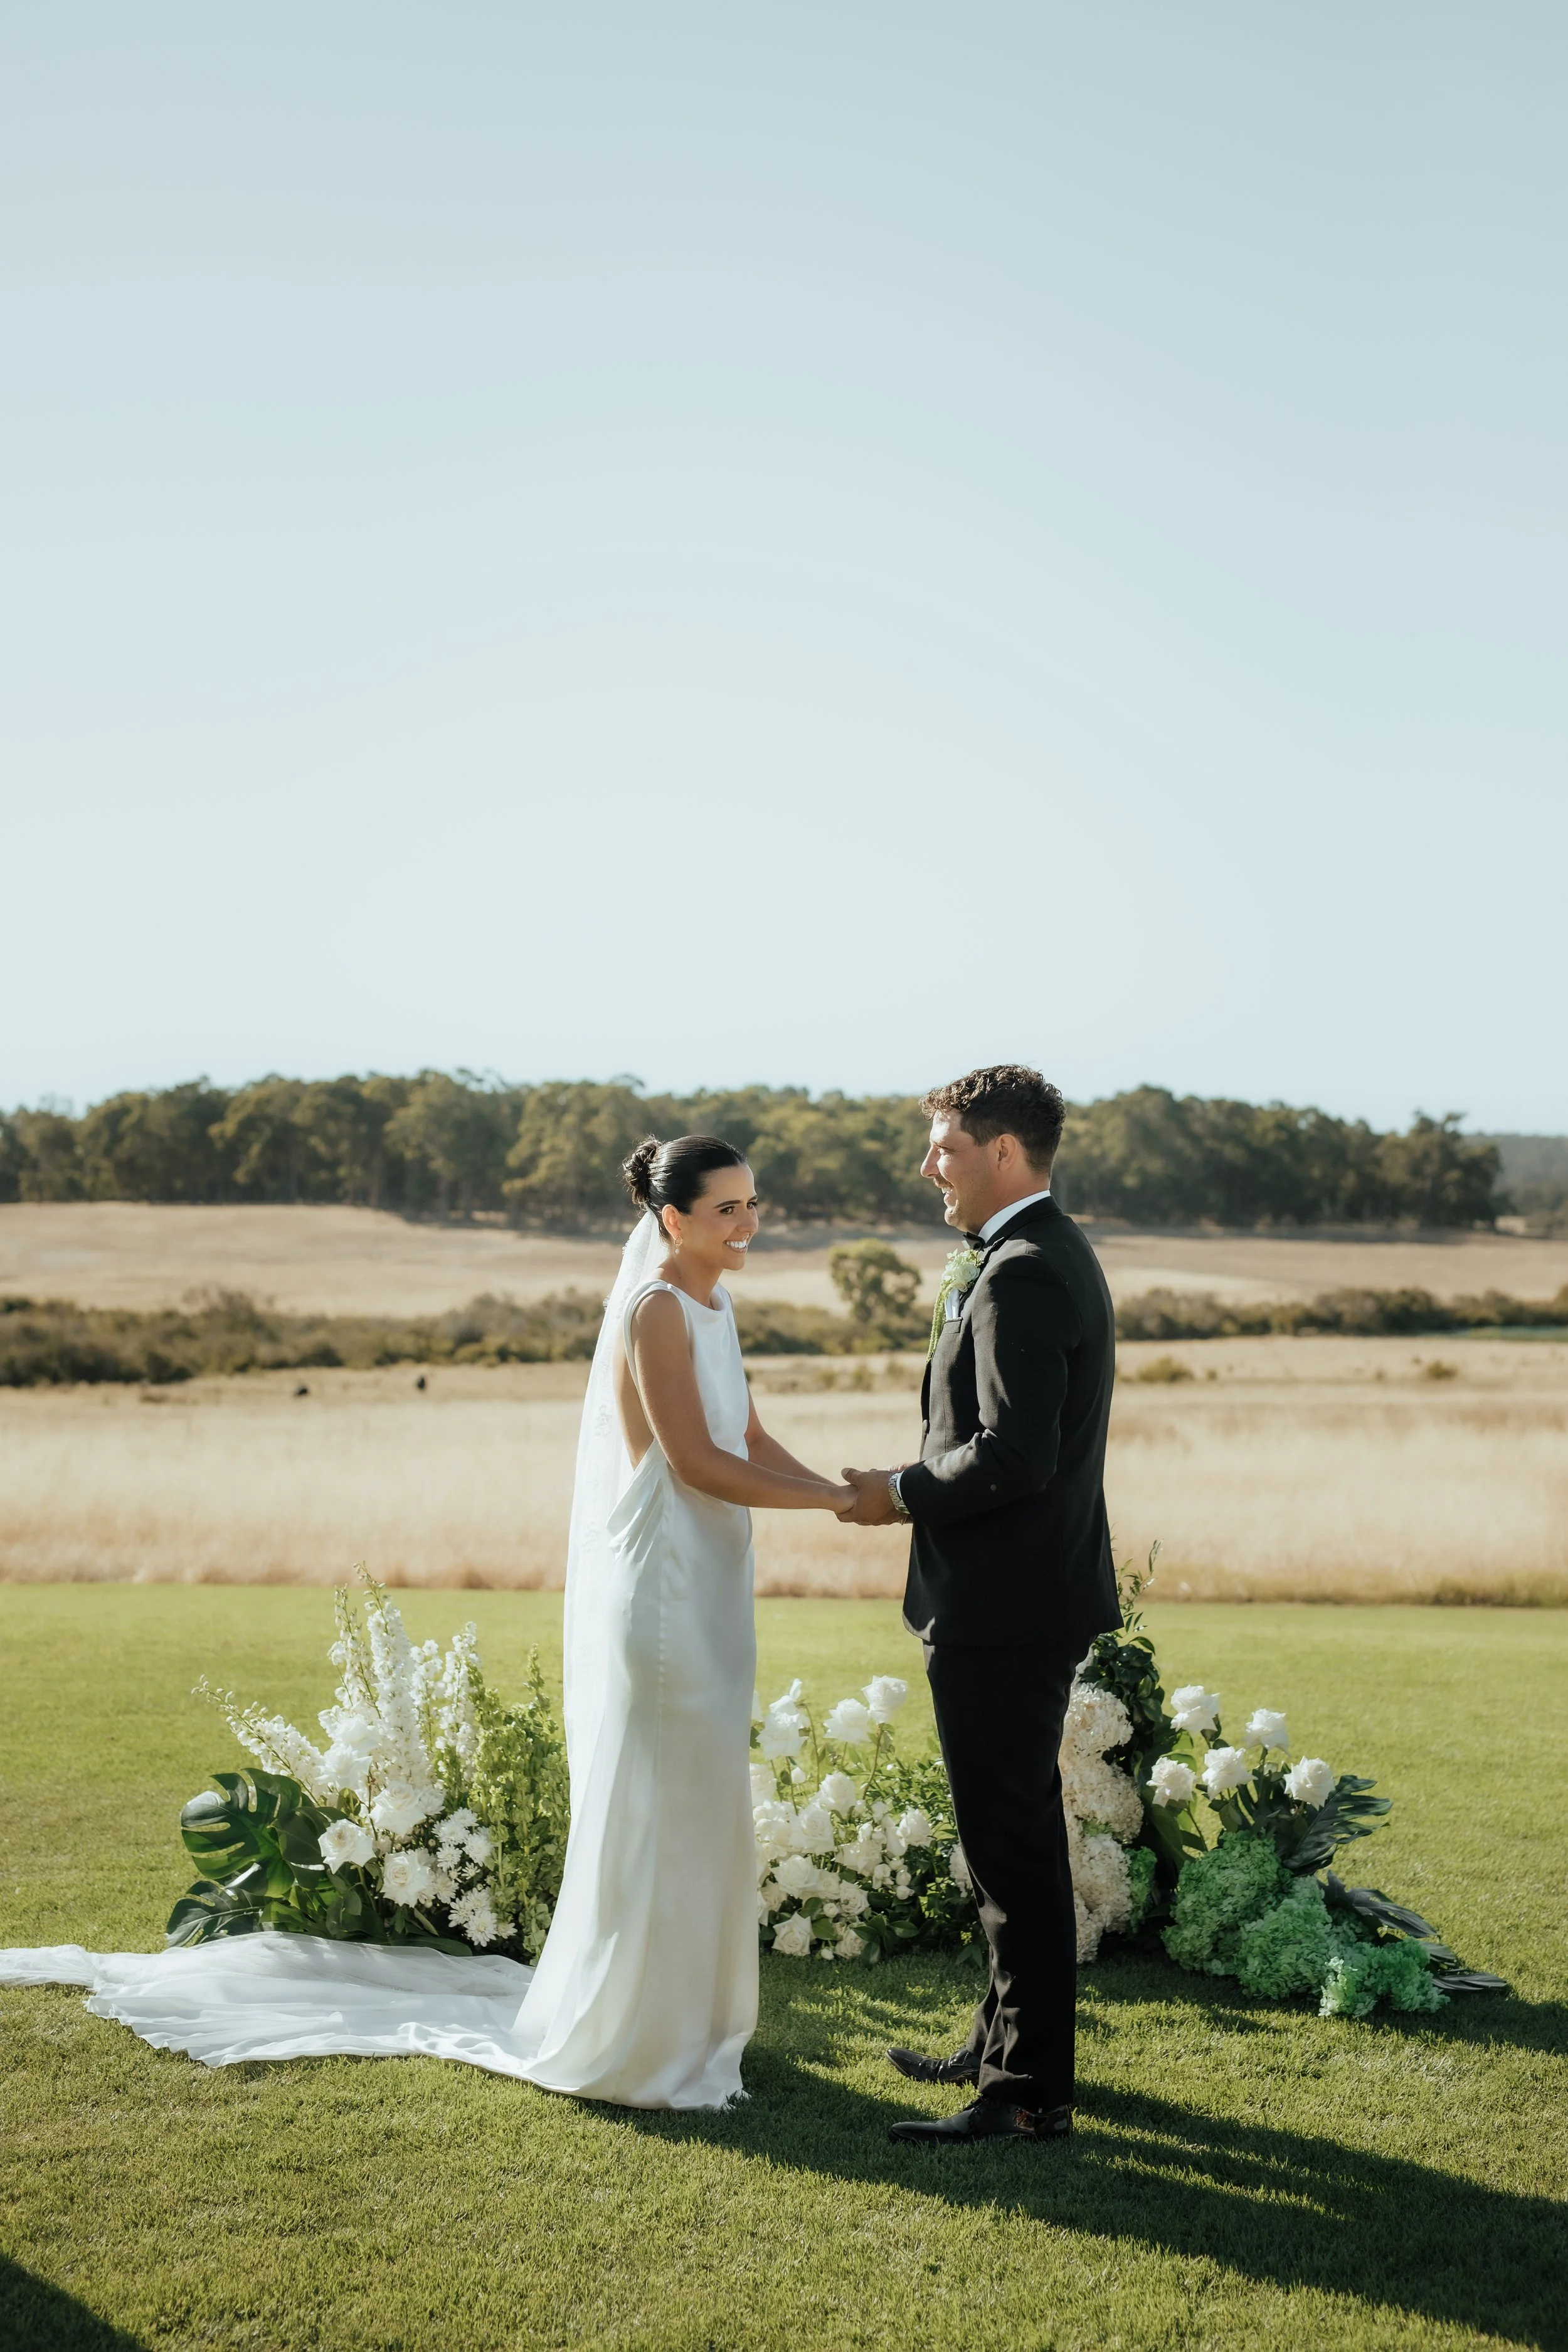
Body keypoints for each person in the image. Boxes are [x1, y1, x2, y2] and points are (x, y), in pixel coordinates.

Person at [0, 1135, 854, 2111]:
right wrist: (830, 1506)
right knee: (659, 1798)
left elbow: (743, 1431)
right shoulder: (657, 1308)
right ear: (672, 1219)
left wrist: (832, 1486)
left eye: (753, 1204)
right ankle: (636, 2035)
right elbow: (695, 1461)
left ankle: (692, 2024)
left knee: (702, 1793)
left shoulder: (715, 1300)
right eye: (727, 1209)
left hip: (711, 1574)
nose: (749, 1223)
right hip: (662, 1587)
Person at [837, 1066, 1120, 2146]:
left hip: (1005, 1604)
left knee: (1011, 1847)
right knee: (1010, 1839)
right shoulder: (1036, 1251)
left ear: (1004, 1151)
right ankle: (1006, 2043)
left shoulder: (1024, 1272)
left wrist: (898, 1493)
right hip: (1017, 1594)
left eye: (945, 1147)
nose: (929, 1166)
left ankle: (1025, 2093)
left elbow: (1015, 1453)